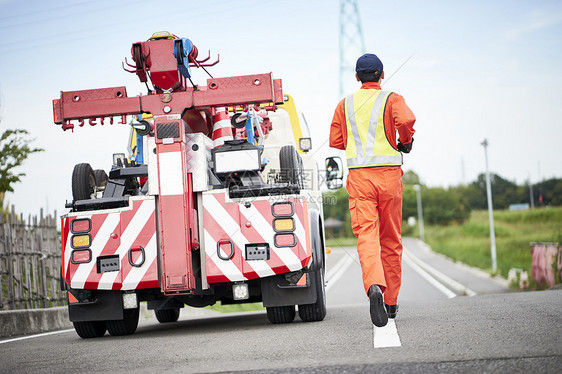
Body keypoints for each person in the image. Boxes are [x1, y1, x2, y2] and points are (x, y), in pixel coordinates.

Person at [329, 53, 416, 327]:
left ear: (357, 77)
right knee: (391, 240)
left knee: (367, 237)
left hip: (359, 180)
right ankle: (390, 303)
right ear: (382, 75)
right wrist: (406, 142)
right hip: (389, 177)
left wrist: (357, 141)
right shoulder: (393, 99)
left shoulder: (345, 104)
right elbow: (406, 121)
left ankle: (374, 287)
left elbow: (335, 140)